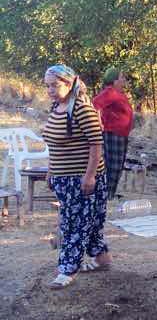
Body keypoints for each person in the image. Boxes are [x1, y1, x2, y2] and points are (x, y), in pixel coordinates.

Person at [42, 64, 112, 289]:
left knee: (74, 225)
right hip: (63, 178)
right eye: (47, 86)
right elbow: (54, 144)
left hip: (83, 178)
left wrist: (90, 177)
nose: (50, 90)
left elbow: (96, 144)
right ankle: (103, 260)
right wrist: (51, 171)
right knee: (85, 223)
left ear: (70, 83)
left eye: (55, 85)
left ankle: (67, 270)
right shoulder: (57, 107)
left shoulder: (82, 108)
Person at [93, 66, 134, 199]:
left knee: (117, 165)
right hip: (112, 134)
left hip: (120, 135)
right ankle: (106, 194)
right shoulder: (110, 92)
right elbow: (95, 104)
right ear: (114, 80)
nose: (124, 79)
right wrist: (98, 122)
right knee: (112, 165)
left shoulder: (118, 93)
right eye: (121, 77)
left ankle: (109, 193)